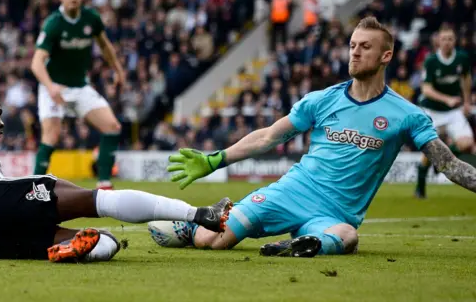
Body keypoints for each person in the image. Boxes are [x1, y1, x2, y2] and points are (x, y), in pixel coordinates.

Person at [157, 17, 476, 257]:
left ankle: (293, 246)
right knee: (214, 241)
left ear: (386, 56)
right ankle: (195, 225)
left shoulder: (406, 114)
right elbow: (268, 137)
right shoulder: (321, 100)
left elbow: (448, 164)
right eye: (352, 45)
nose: (355, 53)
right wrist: (217, 158)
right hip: (291, 192)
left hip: (334, 215)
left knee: (347, 236)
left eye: (365, 47)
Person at [0, 85, 231, 262]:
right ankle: (199, 215)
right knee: (91, 199)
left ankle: (70, 248)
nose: (2, 122)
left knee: (104, 242)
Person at [31, 0, 125, 190]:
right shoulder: (53, 24)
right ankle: (33, 188)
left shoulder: (91, 18)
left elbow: (105, 46)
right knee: (51, 137)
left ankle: (104, 184)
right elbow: (36, 63)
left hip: (80, 86)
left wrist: (118, 70)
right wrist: (51, 86)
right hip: (54, 86)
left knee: (112, 126)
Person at [415, 27, 474, 199]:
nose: (447, 42)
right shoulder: (431, 61)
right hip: (432, 110)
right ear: (438, 41)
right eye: (444, 39)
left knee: (467, 143)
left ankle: (438, 160)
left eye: (450, 38)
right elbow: (426, 89)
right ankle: (420, 186)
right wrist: (447, 99)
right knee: (430, 148)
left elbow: (466, 79)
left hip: (453, 111)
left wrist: (467, 101)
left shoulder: (462, 58)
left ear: (454, 41)